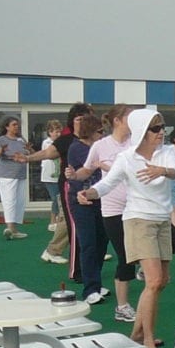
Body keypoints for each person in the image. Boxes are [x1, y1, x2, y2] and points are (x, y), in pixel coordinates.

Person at [78, 109, 175, 348]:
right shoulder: (127, 157)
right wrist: (88, 193)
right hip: (138, 220)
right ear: (141, 131)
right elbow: (107, 183)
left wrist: (163, 171)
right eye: (155, 129)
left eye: (162, 128)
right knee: (152, 280)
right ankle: (147, 342)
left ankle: (137, 333)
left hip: (161, 220)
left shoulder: (167, 152)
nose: (161, 133)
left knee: (161, 281)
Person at [71, 104, 136, 321]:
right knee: (116, 252)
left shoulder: (135, 143)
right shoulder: (100, 146)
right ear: (117, 120)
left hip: (137, 206)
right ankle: (99, 293)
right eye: (129, 117)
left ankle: (130, 280)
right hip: (111, 207)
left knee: (117, 249)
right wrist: (74, 175)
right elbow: (86, 170)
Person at [19, 103, 94, 269]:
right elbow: (47, 153)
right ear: (73, 121)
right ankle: (67, 260)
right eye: (79, 119)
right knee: (73, 223)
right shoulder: (66, 140)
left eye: (87, 119)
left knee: (90, 224)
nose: (84, 123)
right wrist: (28, 158)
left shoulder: (95, 139)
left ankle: (90, 254)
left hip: (92, 187)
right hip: (70, 186)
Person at [67, 114, 109, 304]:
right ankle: (90, 288)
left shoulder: (98, 147)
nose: (103, 134)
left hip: (100, 199)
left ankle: (96, 282)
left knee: (101, 241)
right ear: (91, 132)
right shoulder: (78, 148)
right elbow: (81, 173)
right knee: (89, 244)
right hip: (82, 202)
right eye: (100, 131)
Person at [0, 117, 29, 240]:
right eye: (14, 125)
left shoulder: (21, 139)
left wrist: (30, 149)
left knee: (19, 201)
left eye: (17, 125)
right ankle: (9, 227)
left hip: (21, 174)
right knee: (9, 200)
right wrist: (1, 150)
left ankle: (14, 229)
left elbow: (29, 153)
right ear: (7, 127)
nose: (16, 127)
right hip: (6, 175)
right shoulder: (1, 139)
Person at [40, 120, 63, 231]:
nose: (58, 134)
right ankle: (53, 220)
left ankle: (59, 220)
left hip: (59, 175)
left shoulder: (61, 142)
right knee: (55, 198)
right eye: (56, 132)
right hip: (49, 176)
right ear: (50, 132)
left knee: (60, 199)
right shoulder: (47, 142)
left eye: (59, 132)